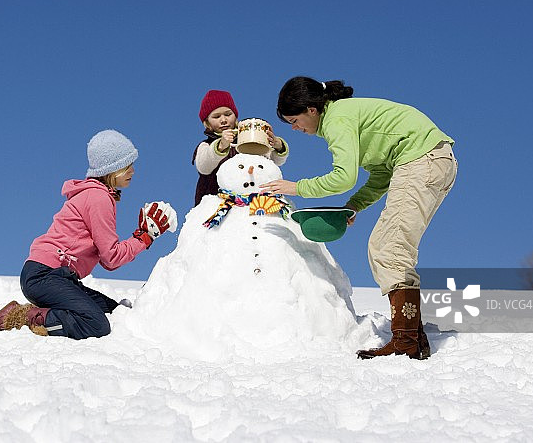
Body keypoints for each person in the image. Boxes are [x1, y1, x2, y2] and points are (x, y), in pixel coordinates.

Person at [261, 76, 457, 360]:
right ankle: (412, 338)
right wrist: (354, 206)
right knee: (389, 247)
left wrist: (297, 188)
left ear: (311, 109)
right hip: (432, 160)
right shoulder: (344, 116)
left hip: (421, 161)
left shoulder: (337, 119)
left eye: (294, 120)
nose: (295, 128)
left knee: (388, 248)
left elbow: (343, 177)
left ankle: (406, 343)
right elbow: (381, 174)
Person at [0, 130, 177, 340]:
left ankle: (42, 311)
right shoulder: (98, 198)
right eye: (127, 166)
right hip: (45, 275)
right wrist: (144, 237)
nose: (133, 170)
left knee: (113, 312)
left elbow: (106, 259)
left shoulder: (96, 195)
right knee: (96, 324)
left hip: (56, 276)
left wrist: (142, 237)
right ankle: (22, 316)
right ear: (111, 170)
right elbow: (111, 258)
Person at [193, 89, 289, 205]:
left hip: (253, 200)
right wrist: (220, 146)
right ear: (207, 123)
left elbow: (272, 161)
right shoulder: (206, 145)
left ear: (235, 116)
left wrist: (278, 147)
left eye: (228, 114)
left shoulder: (248, 139)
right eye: (216, 117)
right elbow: (204, 167)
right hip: (217, 204)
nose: (223, 120)